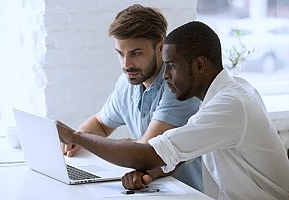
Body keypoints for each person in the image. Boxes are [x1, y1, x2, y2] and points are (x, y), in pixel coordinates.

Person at [58, 21, 289, 200]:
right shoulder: (224, 94)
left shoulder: (230, 104)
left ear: (199, 65)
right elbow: (176, 154)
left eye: (171, 66)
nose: (166, 76)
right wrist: (150, 172)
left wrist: (76, 137)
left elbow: (146, 153)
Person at [62, 4, 203, 191]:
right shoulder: (127, 82)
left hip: (185, 191)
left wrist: (80, 138)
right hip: (150, 188)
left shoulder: (178, 86)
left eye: (136, 53)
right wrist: (73, 143)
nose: (126, 64)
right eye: (121, 54)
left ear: (161, 47)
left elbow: (146, 152)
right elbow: (100, 124)